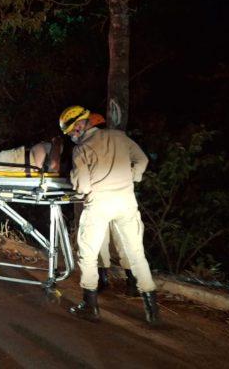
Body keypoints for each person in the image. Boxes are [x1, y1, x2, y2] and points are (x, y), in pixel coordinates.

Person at [60, 105, 159, 324]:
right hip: (126, 202)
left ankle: (90, 305)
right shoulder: (119, 137)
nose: (70, 137)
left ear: (78, 126)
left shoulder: (82, 149)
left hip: (99, 205)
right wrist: (132, 178)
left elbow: (83, 187)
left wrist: (76, 183)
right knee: (136, 253)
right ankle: (151, 308)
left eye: (70, 132)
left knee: (88, 254)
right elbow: (142, 159)